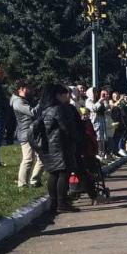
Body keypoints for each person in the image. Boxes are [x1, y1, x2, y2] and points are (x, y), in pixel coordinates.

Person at [37, 83, 79, 214]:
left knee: (54, 173)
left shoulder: (44, 109)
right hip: (61, 145)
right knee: (63, 173)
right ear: (58, 95)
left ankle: (54, 203)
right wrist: (76, 137)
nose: (66, 96)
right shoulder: (59, 109)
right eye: (64, 94)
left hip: (49, 145)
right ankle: (62, 202)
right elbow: (66, 127)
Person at [11, 80, 44, 188]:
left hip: (34, 132)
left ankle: (35, 181)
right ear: (21, 88)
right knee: (28, 159)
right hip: (26, 133)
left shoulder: (26, 99)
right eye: (29, 87)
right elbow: (33, 112)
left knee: (42, 157)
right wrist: (42, 102)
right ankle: (22, 184)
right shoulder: (18, 102)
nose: (32, 90)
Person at [90, 89, 110, 160]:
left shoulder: (102, 101)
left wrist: (105, 100)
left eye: (106, 94)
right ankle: (99, 155)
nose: (95, 94)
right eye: (103, 94)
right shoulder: (90, 101)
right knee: (98, 139)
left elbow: (107, 108)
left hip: (102, 121)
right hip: (96, 122)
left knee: (103, 139)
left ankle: (102, 155)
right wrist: (100, 100)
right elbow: (94, 108)